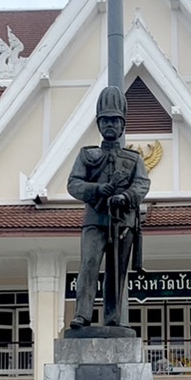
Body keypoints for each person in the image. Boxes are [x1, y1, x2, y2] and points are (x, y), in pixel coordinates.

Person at [67, 85, 151, 329]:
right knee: (89, 266)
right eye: (105, 121)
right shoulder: (87, 155)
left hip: (122, 222)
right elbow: (73, 184)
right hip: (95, 220)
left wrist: (125, 197)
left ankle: (112, 317)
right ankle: (82, 315)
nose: (110, 125)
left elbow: (142, 184)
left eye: (115, 120)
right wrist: (96, 190)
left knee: (117, 271)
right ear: (99, 125)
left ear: (123, 125)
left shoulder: (133, 159)